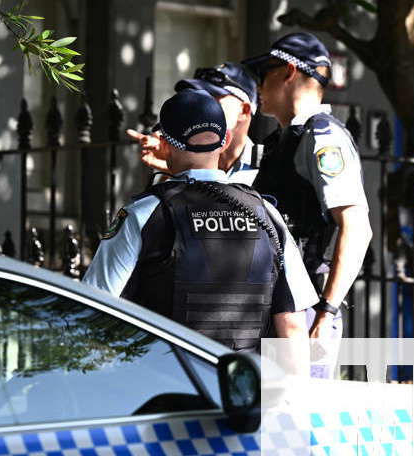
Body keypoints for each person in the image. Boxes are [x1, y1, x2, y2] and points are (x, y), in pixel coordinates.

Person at [84, 89, 317, 350]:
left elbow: (94, 306)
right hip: (242, 385)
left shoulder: (145, 214)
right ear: (225, 140)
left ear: (166, 143)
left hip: (165, 383)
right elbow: (293, 327)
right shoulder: (266, 214)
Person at [243, 32, 373, 352]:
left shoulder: (322, 136)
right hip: (279, 304)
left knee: (296, 402)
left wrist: (325, 312)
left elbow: (356, 228)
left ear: (288, 71)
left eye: (264, 75)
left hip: (305, 310)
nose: (258, 87)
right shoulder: (285, 139)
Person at [126, 63, 263, 185]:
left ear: (244, 111)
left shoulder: (268, 164)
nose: (200, 107)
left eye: (212, 100)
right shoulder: (178, 159)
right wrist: (179, 166)